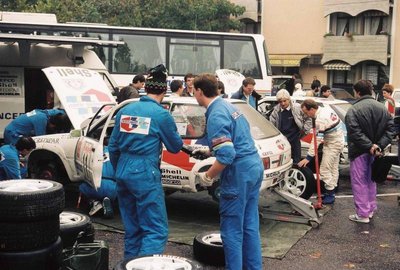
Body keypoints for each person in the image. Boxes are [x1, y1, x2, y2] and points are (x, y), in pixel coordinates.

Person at [108, 64, 183, 259]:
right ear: (164, 89)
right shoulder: (161, 114)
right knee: (155, 231)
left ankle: (129, 263)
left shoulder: (126, 110)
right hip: (144, 172)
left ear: (145, 87)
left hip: (123, 170)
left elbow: (113, 146)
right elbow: (175, 147)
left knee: (133, 229)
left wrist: (121, 170)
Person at [192, 73, 263, 270]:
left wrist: (208, 176)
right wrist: (209, 150)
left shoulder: (215, 113)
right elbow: (235, 140)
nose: (193, 95)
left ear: (199, 91)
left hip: (238, 172)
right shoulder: (229, 106)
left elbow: (226, 155)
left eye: (193, 91)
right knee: (249, 226)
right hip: (253, 166)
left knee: (231, 230)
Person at [345, 80, 395, 223]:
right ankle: (370, 209)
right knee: (371, 180)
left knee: (360, 181)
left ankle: (362, 214)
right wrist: (378, 145)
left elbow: (354, 132)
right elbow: (390, 129)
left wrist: (369, 146)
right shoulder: (382, 108)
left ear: (358, 92)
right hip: (377, 152)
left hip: (359, 151)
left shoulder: (353, 109)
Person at [298, 99, 344, 204]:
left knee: (324, 170)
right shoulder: (326, 109)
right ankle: (331, 192)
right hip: (337, 141)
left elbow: (316, 140)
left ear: (312, 109)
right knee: (333, 168)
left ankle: (330, 193)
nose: (307, 115)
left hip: (332, 145)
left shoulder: (320, 119)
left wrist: (308, 157)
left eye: (306, 112)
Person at [269, 89, 312, 163]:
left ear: (289, 99)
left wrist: (305, 130)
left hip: (295, 140)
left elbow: (309, 117)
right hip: (282, 142)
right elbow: (271, 126)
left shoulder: (297, 108)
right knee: (284, 163)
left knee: (296, 162)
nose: (282, 103)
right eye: (280, 101)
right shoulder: (276, 111)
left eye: (285, 101)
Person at [79, 145, 117, 219]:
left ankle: (95, 202)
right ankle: (107, 200)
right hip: (113, 187)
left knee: (81, 186)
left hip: (96, 186)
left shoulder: (91, 152)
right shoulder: (114, 152)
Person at [4, 109, 71, 145]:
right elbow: (41, 140)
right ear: (54, 125)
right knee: (19, 153)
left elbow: (63, 113)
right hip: (12, 134)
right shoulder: (41, 119)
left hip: (14, 129)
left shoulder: (53, 113)